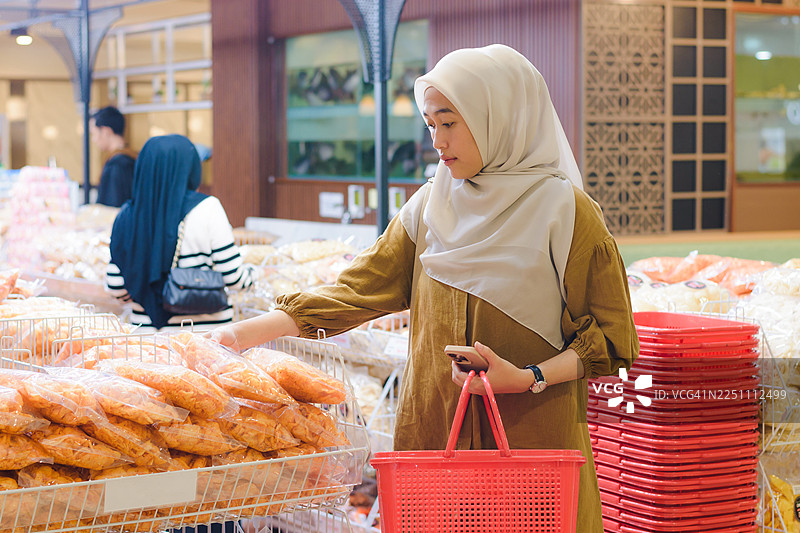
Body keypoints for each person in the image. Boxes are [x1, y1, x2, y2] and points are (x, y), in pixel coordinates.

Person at [208, 44, 638, 531]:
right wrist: (238, 336)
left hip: (531, 442)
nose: (436, 140)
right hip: (436, 438)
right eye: (430, 124)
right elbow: (355, 291)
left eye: (449, 122)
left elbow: (610, 336)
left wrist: (527, 376)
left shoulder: (566, 213)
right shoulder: (430, 205)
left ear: (498, 115)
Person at [105, 134, 254, 329]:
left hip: (147, 345)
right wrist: (255, 274)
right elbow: (233, 277)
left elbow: (116, 286)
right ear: (190, 168)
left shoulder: (127, 215)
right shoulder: (208, 208)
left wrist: (147, 292)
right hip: (206, 342)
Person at [90, 106, 137, 207]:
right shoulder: (132, 158)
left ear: (106, 132)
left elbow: (111, 208)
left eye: (94, 134)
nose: (94, 139)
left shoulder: (116, 165)